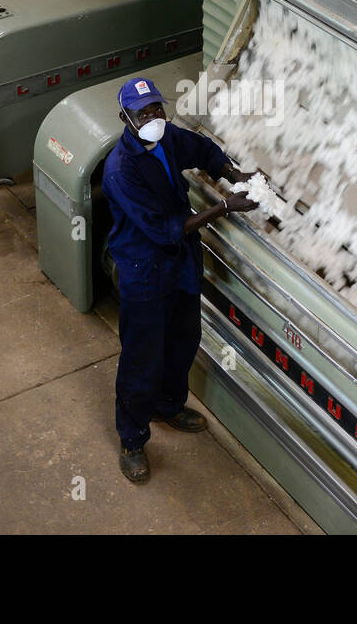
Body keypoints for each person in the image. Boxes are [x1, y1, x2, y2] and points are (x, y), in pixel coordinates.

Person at [101, 76, 258, 482]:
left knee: (184, 339)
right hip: (145, 269)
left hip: (180, 264)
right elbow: (164, 229)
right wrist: (223, 206)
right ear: (125, 118)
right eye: (142, 113)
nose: (153, 117)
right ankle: (133, 438)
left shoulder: (167, 137)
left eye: (157, 109)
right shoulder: (121, 170)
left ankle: (168, 405)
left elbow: (202, 149)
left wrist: (233, 174)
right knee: (142, 358)